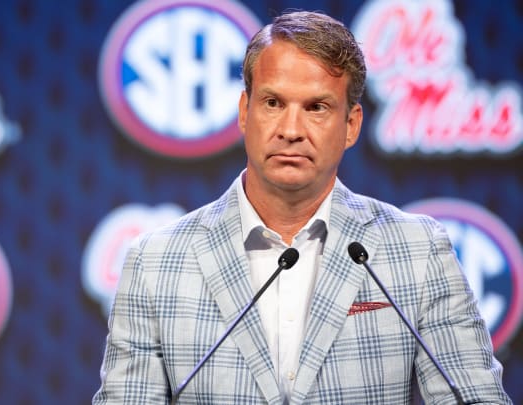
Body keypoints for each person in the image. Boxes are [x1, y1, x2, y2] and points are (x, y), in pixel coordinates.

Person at [93, 10, 511, 405]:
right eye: (273, 103)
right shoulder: (156, 262)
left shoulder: (418, 251)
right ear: (244, 112)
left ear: (350, 126)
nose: (291, 131)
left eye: (316, 108)